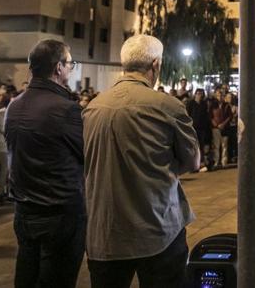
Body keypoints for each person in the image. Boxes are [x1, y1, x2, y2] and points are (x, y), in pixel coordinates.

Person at [83, 35, 200, 288]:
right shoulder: (167, 106)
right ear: (155, 65)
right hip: (157, 227)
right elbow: (192, 161)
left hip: (104, 232)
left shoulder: (92, 107)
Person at [4, 40, 86, 287]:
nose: (71, 69)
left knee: (27, 276)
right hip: (59, 213)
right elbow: (88, 154)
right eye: (70, 63)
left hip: (25, 210)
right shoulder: (66, 109)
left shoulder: (14, 105)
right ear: (59, 67)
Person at [186, 89, 214, 171]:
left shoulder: (204, 104)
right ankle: (192, 165)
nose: (199, 95)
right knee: (193, 147)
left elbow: (206, 116)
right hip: (193, 128)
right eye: (198, 93)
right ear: (195, 94)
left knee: (201, 147)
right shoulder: (191, 103)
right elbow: (188, 114)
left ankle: (200, 164)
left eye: (201, 94)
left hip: (202, 129)